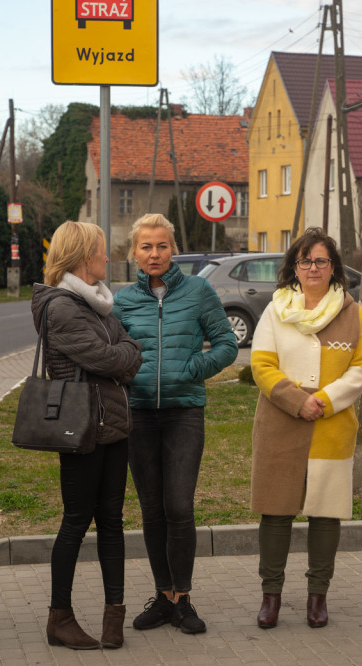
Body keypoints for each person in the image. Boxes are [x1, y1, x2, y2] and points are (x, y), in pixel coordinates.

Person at [113, 213, 237, 635]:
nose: (154, 253)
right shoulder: (124, 300)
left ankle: (183, 599)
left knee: (179, 507)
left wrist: (192, 368)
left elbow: (227, 343)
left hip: (185, 411)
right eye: (146, 246)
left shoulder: (199, 291)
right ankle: (163, 596)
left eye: (161, 245)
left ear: (174, 249)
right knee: (152, 509)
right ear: (134, 252)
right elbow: (113, 352)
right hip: (139, 413)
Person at [249, 228, 362, 630]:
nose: (313, 268)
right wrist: (296, 400)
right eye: (305, 261)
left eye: (321, 260)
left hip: (330, 424)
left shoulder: (353, 313)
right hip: (280, 425)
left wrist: (324, 400)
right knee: (276, 510)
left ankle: (318, 596)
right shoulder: (275, 310)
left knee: (324, 513)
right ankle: (271, 596)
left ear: (334, 267)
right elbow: (261, 365)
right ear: (294, 268)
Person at [32, 221, 143, 650]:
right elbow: (110, 357)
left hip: (113, 427)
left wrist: (124, 354)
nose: (107, 256)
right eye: (101, 249)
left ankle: (114, 616)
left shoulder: (97, 302)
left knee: (112, 523)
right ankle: (59, 619)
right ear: (82, 257)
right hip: (79, 430)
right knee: (76, 523)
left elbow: (126, 349)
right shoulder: (61, 306)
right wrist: (124, 355)